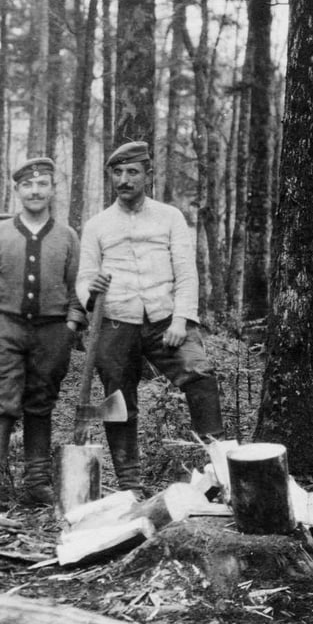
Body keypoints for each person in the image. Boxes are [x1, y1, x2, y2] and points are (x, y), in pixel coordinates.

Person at [76, 141, 224, 499]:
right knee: (117, 399)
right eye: (117, 172)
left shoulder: (170, 217)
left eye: (133, 172)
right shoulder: (97, 226)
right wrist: (90, 291)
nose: (124, 180)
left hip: (164, 320)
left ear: (148, 175)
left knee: (200, 376)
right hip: (114, 322)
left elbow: (187, 273)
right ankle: (130, 484)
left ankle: (218, 472)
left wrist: (181, 319)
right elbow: (84, 279)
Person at [0, 157, 84, 514]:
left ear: (53, 190)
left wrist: (71, 324)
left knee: (41, 403)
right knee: (0, 404)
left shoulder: (67, 236)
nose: (35, 191)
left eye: (43, 184)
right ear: (17, 190)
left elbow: (78, 284)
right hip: (6, 329)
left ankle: (37, 483)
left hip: (52, 331)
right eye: (28, 185)